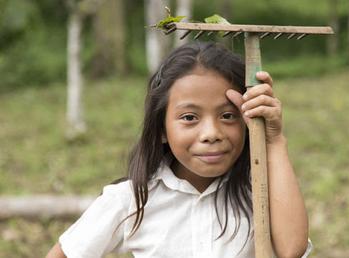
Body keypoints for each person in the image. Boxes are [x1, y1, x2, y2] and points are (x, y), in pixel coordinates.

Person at [46, 41, 312, 258]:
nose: (211, 134)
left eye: (228, 116)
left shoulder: (260, 193)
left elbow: (291, 249)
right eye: (189, 118)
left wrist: (273, 141)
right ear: (161, 128)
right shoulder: (131, 201)